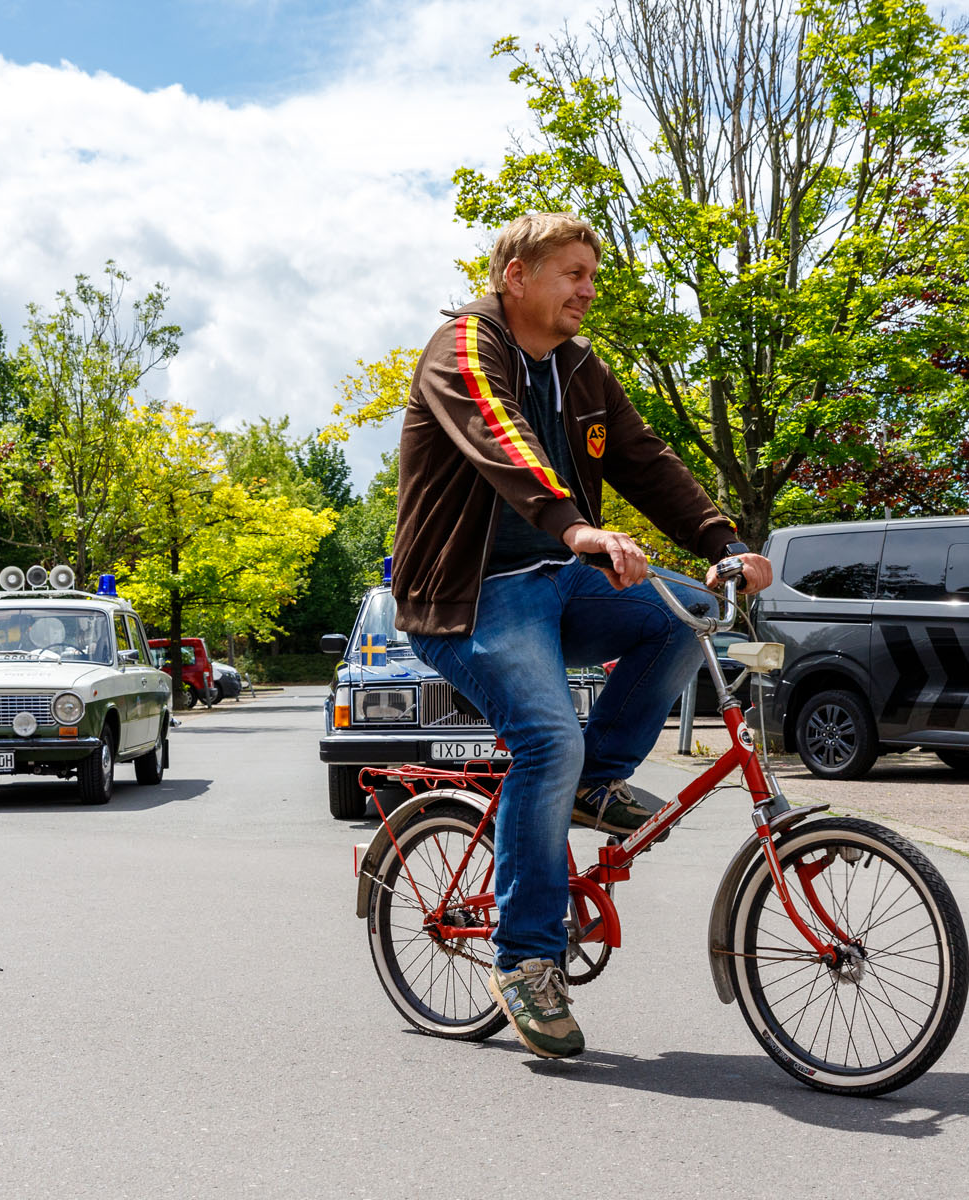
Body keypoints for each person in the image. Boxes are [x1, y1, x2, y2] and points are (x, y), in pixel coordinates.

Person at [392, 212, 773, 1059]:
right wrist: (576, 528)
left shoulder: (580, 367)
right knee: (546, 740)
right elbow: (503, 437)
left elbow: (644, 458)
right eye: (572, 273)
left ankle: (594, 783)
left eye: (592, 276)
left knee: (688, 612)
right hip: (470, 595)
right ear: (515, 276)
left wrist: (724, 544)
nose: (588, 291)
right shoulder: (463, 347)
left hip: (562, 582)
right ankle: (527, 961)